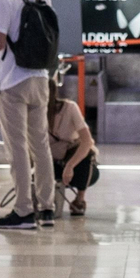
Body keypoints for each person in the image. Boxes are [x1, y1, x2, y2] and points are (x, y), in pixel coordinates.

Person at [0, 0, 54, 231]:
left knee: (17, 147)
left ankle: (23, 210)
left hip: (12, 81)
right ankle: (47, 209)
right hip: (41, 77)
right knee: (41, 144)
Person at [47, 79, 99, 217]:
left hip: (72, 158)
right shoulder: (33, 111)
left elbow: (87, 141)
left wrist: (70, 166)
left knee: (86, 156)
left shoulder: (69, 108)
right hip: (49, 159)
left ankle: (80, 198)